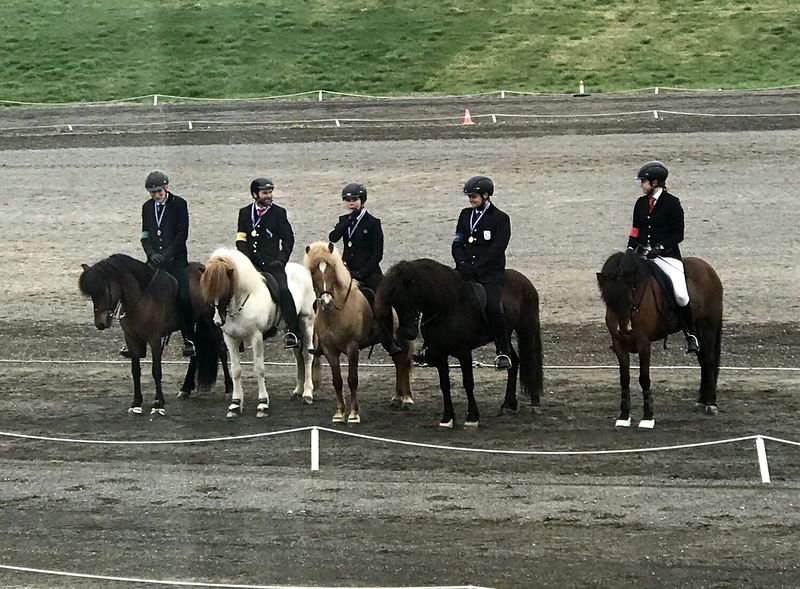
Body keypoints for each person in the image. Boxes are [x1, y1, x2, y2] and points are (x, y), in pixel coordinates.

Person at [627, 160, 700, 354]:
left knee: (681, 294)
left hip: (667, 256)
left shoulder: (672, 203)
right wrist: (629, 249)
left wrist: (659, 247)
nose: (641, 185)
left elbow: (678, 234)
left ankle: (690, 334)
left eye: (644, 181)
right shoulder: (640, 203)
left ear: (655, 182)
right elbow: (635, 229)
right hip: (643, 255)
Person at [121, 170, 195, 358]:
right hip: (154, 260)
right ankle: (132, 340)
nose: (155, 196)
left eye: (158, 192)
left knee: (184, 295)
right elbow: (145, 234)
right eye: (152, 193)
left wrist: (168, 254)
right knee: (134, 292)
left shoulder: (179, 204)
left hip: (175, 260)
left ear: (166, 188)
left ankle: (189, 338)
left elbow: (182, 234)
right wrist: (151, 253)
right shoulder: (147, 207)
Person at [328, 182, 401, 356]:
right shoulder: (343, 221)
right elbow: (333, 238)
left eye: (354, 200)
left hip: (369, 270)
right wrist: (346, 223)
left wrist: (363, 272)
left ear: (362, 200)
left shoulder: (373, 223)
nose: (351, 203)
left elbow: (378, 253)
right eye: (348, 200)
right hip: (346, 270)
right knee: (326, 293)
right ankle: (322, 336)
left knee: (380, 298)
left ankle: (389, 338)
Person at [452, 175, 513, 370]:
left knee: (494, 306)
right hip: (464, 269)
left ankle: (502, 350)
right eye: (470, 197)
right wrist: (461, 262)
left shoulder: (500, 219)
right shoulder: (465, 215)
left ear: (486, 196)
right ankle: (431, 346)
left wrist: (477, 268)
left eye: (474, 196)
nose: (471, 200)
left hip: (490, 273)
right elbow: (457, 242)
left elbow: (497, 249)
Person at [236, 177, 300, 349]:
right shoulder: (244, 213)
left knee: (284, 290)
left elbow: (288, 239)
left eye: (270, 192)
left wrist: (281, 259)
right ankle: (237, 330)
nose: (269, 195)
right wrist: (245, 259)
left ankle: (292, 331)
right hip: (252, 264)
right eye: (265, 192)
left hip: (273, 264)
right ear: (255, 194)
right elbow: (241, 238)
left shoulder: (279, 212)